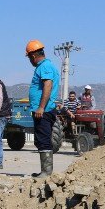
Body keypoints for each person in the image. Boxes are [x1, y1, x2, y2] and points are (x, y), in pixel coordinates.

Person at [26, 39, 60, 178]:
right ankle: (44, 171)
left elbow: (47, 85)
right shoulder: (45, 66)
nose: (29, 60)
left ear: (33, 56)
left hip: (43, 111)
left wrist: (41, 107)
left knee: (43, 139)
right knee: (40, 139)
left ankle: (46, 172)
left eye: (29, 57)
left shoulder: (44, 66)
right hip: (43, 110)